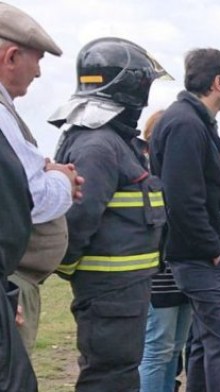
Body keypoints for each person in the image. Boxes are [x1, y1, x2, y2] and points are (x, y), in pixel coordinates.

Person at [50, 37, 170, 392]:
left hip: (122, 289)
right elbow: (79, 217)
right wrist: (70, 267)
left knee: (119, 374)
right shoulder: (99, 144)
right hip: (109, 291)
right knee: (109, 378)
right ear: (130, 87)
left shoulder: (113, 141)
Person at [149, 48, 220, 392]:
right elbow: (182, 200)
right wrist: (214, 251)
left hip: (204, 256)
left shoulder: (193, 122)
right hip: (204, 259)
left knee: (207, 345)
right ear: (218, 82)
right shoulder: (186, 124)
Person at [0, 2, 82, 355]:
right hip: (12, 281)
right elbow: (30, 198)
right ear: (12, 57)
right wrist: (62, 179)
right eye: (37, 60)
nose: (38, 73)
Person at [139, 110, 193, 392]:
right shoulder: (147, 176)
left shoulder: (181, 174)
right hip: (159, 274)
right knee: (157, 347)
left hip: (184, 269)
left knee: (175, 348)